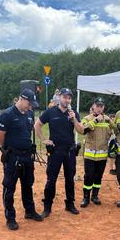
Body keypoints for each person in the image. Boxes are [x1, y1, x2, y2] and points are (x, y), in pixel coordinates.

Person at [0, 89, 43, 231]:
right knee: (9, 187)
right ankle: (10, 217)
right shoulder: (7, 115)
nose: (31, 106)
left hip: (27, 156)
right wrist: (10, 149)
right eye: (29, 103)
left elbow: (28, 132)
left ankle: (29, 211)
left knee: (28, 184)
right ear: (21, 99)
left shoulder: (29, 114)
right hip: (13, 157)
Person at [35, 87, 84, 218]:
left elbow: (81, 130)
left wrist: (74, 119)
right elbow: (37, 125)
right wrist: (43, 140)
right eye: (64, 97)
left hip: (70, 151)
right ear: (59, 97)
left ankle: (70, 204)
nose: (67, 100)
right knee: (51, 179)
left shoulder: (74, 113)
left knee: (70, 179)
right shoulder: (50, 112)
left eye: (69, 97)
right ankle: (47, 207)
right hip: (55, 151)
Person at [80, 98, 113, 207]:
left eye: (101, 106)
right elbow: (83, 130)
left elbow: (113, 132)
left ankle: (95, 196)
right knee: (89, 176)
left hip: (102, 155)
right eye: (97, 106)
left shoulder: (108, 120)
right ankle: (86, 198)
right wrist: (96, 120)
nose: (99, 108)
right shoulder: (87, 118)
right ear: (93, 106)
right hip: (90, 154)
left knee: (98, 176)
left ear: (103, 107)